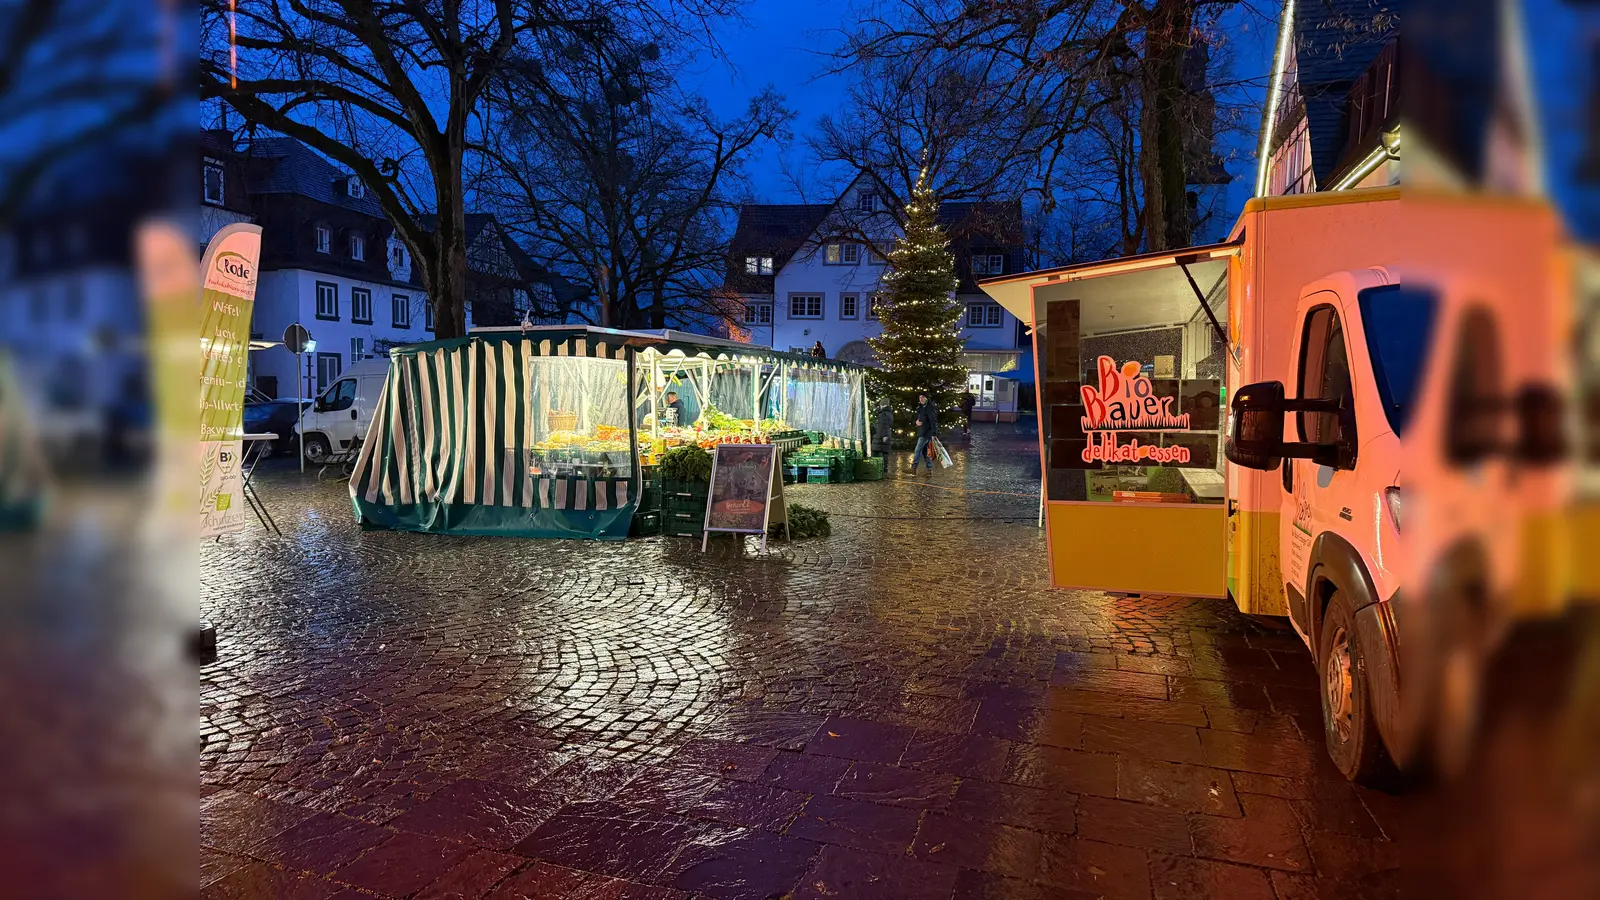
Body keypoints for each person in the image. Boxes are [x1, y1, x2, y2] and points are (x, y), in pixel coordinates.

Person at [911, 392, 938, 475]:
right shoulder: (921, 407)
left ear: (926, 398)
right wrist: (916, 422)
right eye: (920, 397)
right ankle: (929, 470)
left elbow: (933, 421)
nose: (921, 399)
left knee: (918, 450)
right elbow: (919, 418)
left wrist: (934, 433)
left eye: (923, 397)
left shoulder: (930, 407)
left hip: (926, 433)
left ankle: (913, 468)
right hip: (922, 431)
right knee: (925, 452)